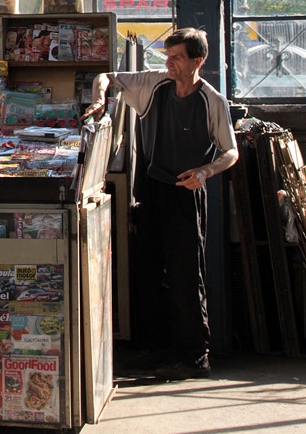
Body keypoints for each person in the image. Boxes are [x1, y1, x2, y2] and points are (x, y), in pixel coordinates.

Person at [85, 26, 238, 381]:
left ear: (197, 61)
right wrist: (99, 98)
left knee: (186, 276)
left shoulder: (212, 100)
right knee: (148, 270)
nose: (168, 63)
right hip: (151, 189)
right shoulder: (155, 84)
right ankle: (155, 347)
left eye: (176, 58)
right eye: (167, 57)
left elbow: (230, 151)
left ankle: (194, 357)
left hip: (185, 191)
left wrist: (205, 170)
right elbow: (106, 76)